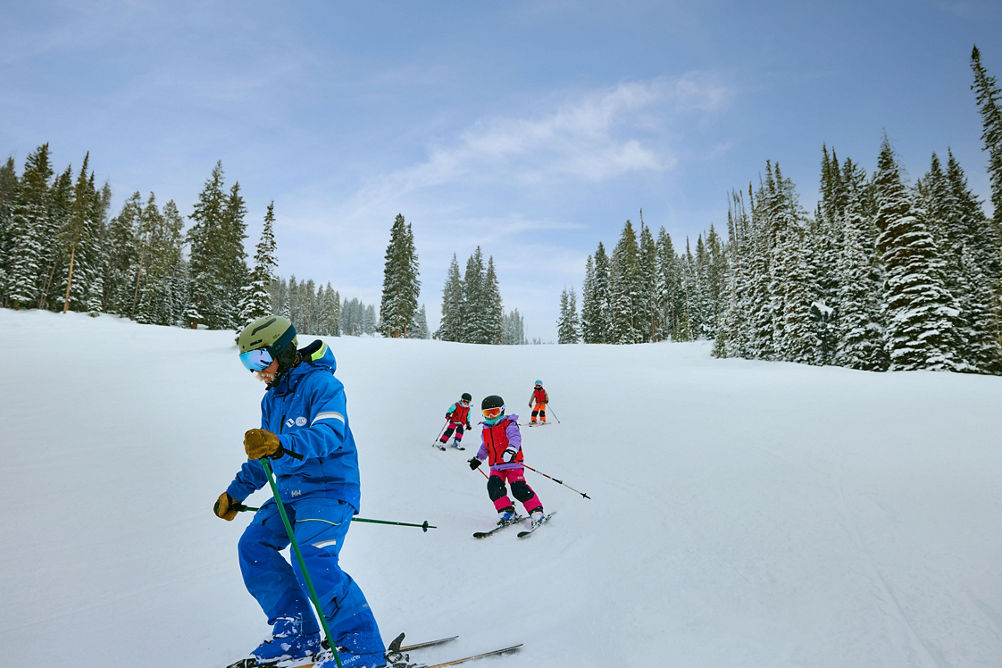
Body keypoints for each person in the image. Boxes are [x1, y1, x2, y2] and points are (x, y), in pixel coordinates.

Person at [213, 315, 385, 668]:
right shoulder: (272, 399)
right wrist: (236, 493)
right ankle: (297, 632)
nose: (256, 371)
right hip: (290, 494)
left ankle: (362, 648)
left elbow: (330, 433)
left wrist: (281, 445)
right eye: (247, 363)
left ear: (282, 350)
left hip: (329, 489)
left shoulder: (323, 385)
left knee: (311, 560)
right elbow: (265, 457)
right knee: (253, 545)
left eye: (260, 359)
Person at [467, 395, 545, 527]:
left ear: (502, 411)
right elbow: (485, 446)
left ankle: (536, 512)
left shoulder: (509, 424)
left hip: (512, 463)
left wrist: (511, 450)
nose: (491, 416)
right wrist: (478, 459)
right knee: (493, 487)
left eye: (494, 412)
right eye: (487, 413)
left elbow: (515, 438)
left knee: (518, 489)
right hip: (496, 467)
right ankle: (507, 512)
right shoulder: (485, 429)